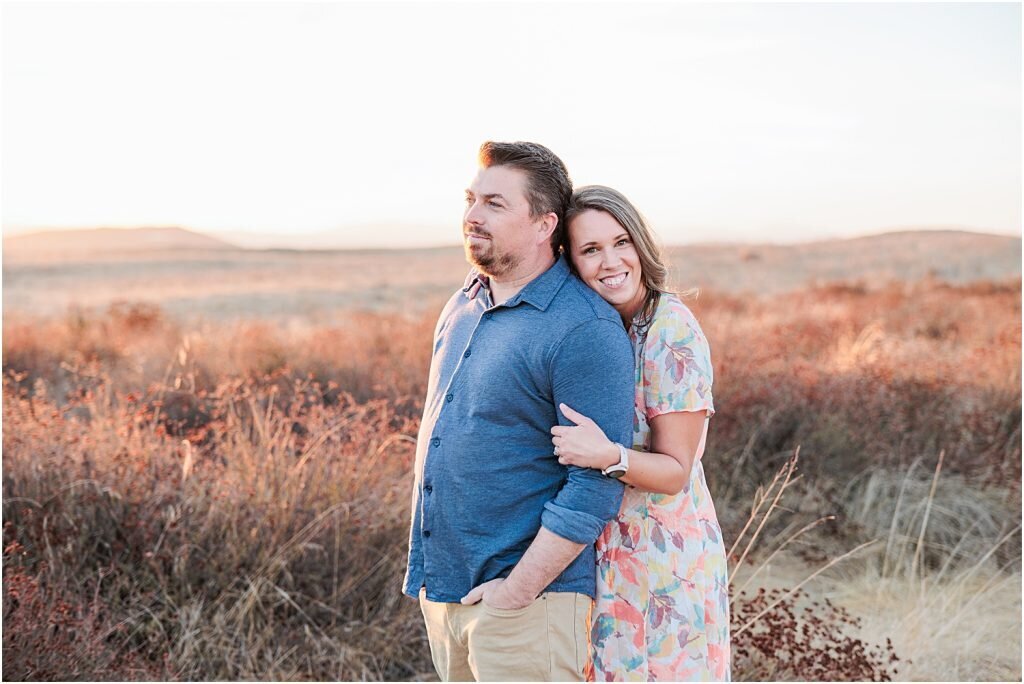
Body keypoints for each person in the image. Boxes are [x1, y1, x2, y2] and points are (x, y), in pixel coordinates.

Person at [403, 143, 636, 682]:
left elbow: (594, 485)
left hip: (528, 605)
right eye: (470, 199)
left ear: (543, 225)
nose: (472, 216)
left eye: (494, 204)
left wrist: (516, 593)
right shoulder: (463, 302)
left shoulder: (583, 329)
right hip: (446, 594)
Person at [551, 185, 730, 681]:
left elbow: (675, 471)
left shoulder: (669, 328)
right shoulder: (607, 327)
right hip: (610, 555)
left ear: (641, 246)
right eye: (591, 250)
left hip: (663, 563)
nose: (611, 261)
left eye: (621, 242)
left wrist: (606, 455)